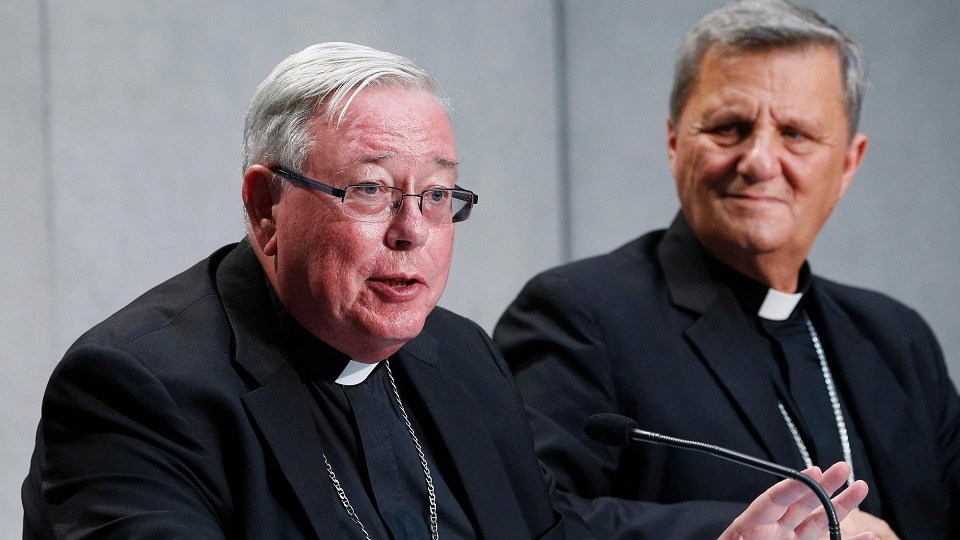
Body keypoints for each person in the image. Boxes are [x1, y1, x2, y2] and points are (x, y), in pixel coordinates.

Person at [23, 41, 870, 540]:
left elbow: (546, 532)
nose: (413, 230)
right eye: (370, 190)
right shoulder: (138, 390)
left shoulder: (456, 354)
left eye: (437, 195)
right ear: (265, 205)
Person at [494, 1, 960, 539]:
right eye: (728, 128)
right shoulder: (580, 315)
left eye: (796, 134)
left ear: (849, 163)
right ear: (675, 143)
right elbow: (520, 515)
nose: (759, 161)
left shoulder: (898, 341)